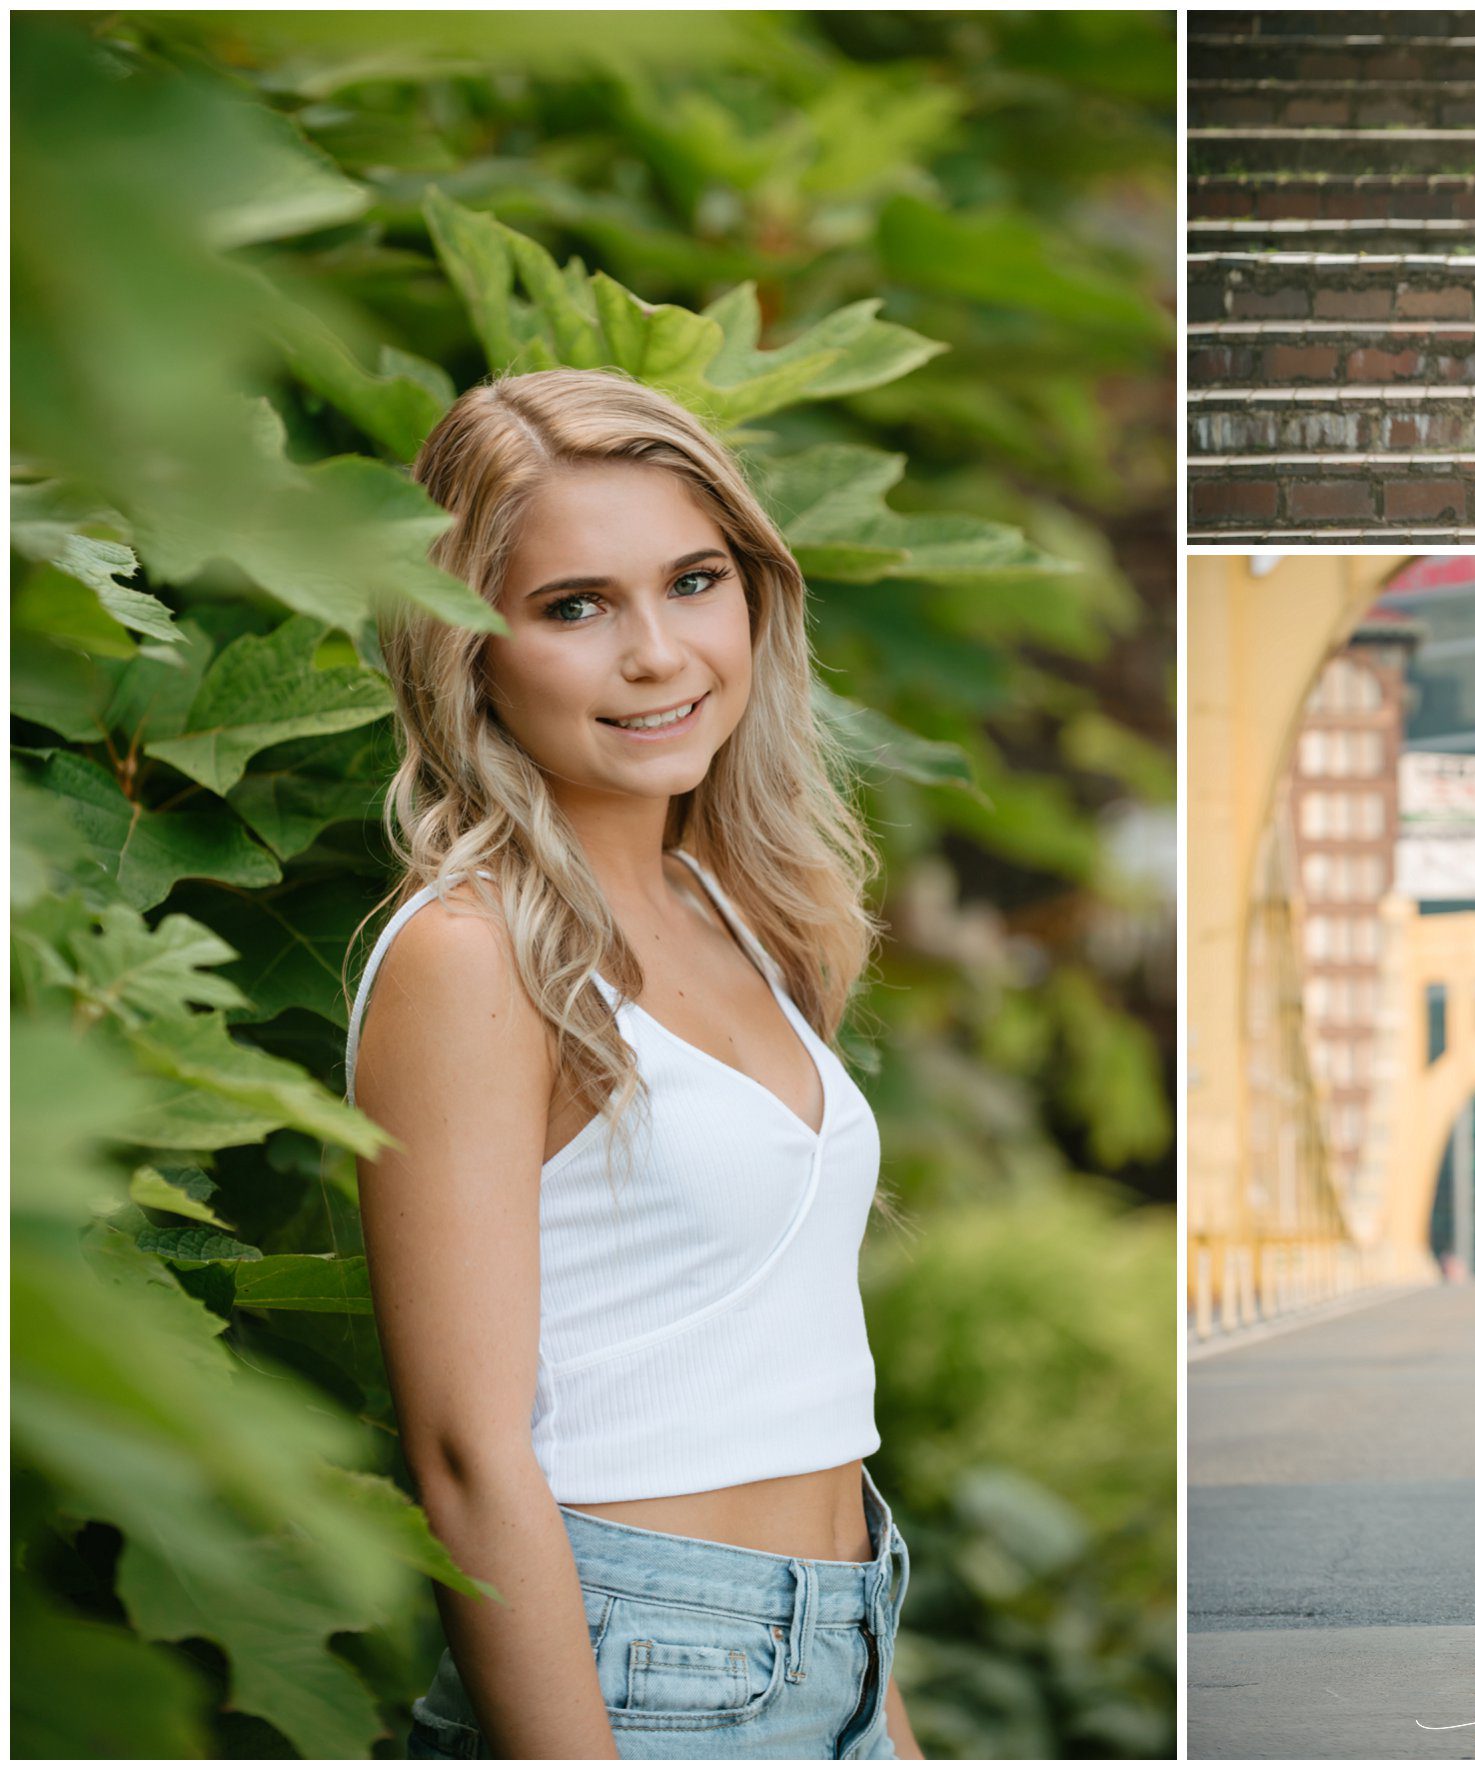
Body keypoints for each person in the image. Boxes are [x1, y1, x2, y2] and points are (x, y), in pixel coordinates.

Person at [346, 365, 921, 1758]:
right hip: (631, 1673)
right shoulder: (469, 956)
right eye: (575, 606)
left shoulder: (751, 908)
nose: (659, 653)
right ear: (466, 644)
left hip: (841, 1634)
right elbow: (470, 1461)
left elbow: (796, 1363)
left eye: (694, 579)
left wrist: (883, 1716)